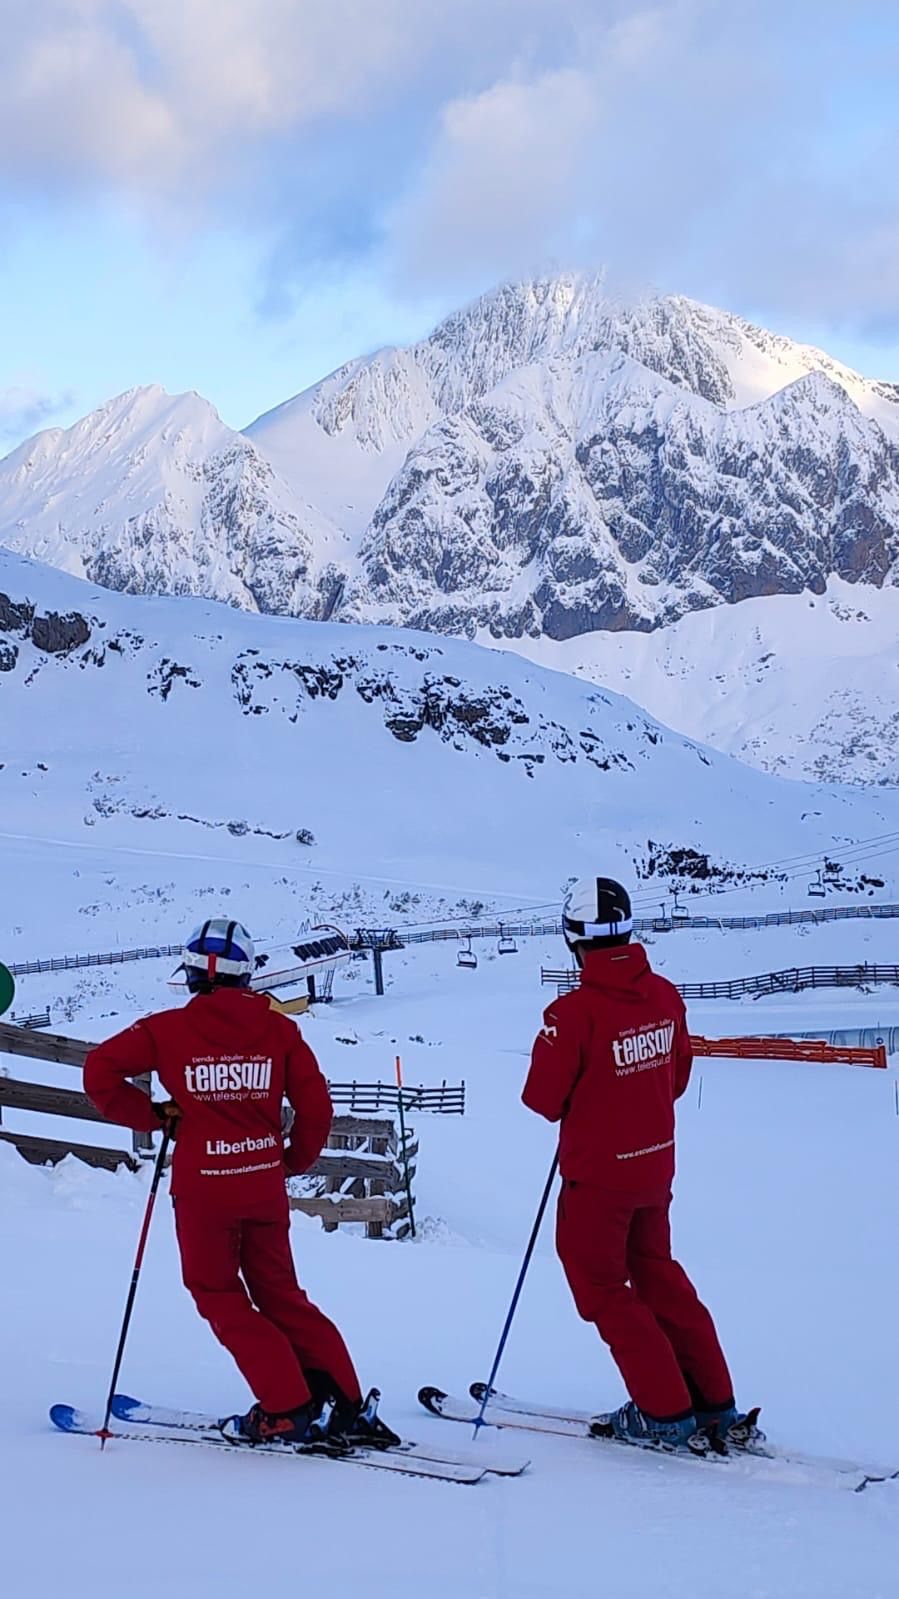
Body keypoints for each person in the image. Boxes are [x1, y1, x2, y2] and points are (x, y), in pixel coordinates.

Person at [84, 917, 396, 1449]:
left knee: (218, 1293)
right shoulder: (279, 1030)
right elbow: (317, 1108)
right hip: (261, 1182)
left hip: (205, 1190)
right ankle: (345, 1401)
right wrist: (290, 1161)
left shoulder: (165, 1030)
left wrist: (155, 1116)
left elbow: (98, 1072)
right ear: (246, 976)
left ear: (190, 976)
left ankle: (285, 1407)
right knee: (282, 1295)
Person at [522, 878, 758, 1454]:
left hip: (599, 1177)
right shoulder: (665, 996)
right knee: (657, 1273)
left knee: (601, 1285)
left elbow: (542, 1099)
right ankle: (713, 1402)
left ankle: (663, 1410)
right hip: (654, 1168)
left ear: (572, 939)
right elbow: (675, 1078)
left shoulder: (571, 1013)